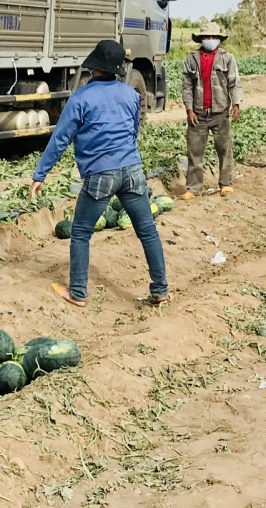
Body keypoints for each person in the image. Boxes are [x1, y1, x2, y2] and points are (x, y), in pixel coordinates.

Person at [30, 40, 169, 308]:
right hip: (131, 170)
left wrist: (40, 174)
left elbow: (60, 139)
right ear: (118, 68)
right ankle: (160, 289)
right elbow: (132, 132)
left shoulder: (81, 98)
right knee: (148, 231)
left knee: (81, 232)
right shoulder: (131, 94)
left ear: (94, 67)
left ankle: (79, 293)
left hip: (100, 175)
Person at [180, 21, 242, 198]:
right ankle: (193, 188)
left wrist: (236, 103)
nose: (209, 40)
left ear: (218, 39)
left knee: (224, 149)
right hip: (198, 113)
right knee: (194, 152)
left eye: (213, 37)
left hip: (220, 112)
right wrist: (189, 109)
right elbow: (186, 87)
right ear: (201, 39)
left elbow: (234, 83)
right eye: (206, 37)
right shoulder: (192, 59)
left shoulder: (227, 58)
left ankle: (226, 183)